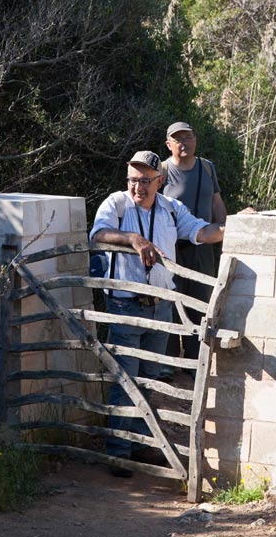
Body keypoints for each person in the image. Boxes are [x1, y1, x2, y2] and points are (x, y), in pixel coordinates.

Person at [89, 149, 224, 477]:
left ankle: (139, 444)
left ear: (160, 181)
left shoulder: (171, 210)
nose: (138, 187)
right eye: (133, 180)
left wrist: (234, 228)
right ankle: (119, 452)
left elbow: (201, 232)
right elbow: (98, 236)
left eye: (146, 181)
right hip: (125, 304)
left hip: (161, 306)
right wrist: (134, 239)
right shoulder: (116, 204)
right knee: (126, 380)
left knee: (148, 379)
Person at [162, 121, 227, 363]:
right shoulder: (162, 171)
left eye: (188, 137)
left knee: (201, 304)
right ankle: (168, 363)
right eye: (177, 139)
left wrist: (226, 230)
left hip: (204, 248)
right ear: (169, 144)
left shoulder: (207, 168)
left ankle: (194, 363)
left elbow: (216, 202)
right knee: (171, 302)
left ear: (195, 139)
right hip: (173, 248)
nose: (184, 143)